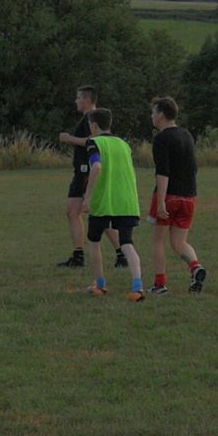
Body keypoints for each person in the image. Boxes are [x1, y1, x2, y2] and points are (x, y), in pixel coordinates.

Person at [80, 108, 146, 301]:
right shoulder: (124, 144)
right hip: (126, 201)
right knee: (127, 242)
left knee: (93, 241)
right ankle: (138, 286)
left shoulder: (94, 143)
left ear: (93, 125)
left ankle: (100, 284)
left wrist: (87, 197)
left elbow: (97, 167)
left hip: (103, 202)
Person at [58, 85, 124, 268]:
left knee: (81, 212)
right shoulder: (91, 118)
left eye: (78, 98)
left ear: (87, 100)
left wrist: (69, 139)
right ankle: (120, 253)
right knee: (88, 214)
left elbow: (93, 141)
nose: (76, 101)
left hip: (86, 171)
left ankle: (82, 256)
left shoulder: (91, 119)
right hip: (83, 171)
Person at [148, 96, 207, 295]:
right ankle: (195, 267)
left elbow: (163, 172)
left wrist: (162, 201)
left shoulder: (162, 138)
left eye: (154, 112)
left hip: (170, 196)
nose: (152, 116)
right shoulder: (186, 135)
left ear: (162, 115)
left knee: (158, 241)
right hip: (189, 196)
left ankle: (159, 285)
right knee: (179, 243)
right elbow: (193, 167)